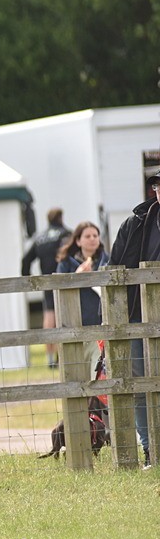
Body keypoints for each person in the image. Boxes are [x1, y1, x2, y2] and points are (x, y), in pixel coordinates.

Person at [109, 175, 160, 467]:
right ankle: (150, 451)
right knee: (140, 385)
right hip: (138, 319)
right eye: (157, 185)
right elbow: (114, 270)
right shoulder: (136, 222)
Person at [55, 221, 110, 377]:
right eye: (87, 236)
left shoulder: (108, 261)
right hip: (74, 328)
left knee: (99, 377)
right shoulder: (66, 263)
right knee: (78, 377)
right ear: (78, 240)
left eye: (95, 235)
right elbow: (59, 290)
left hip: (100, 328)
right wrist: (76, 277)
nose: (92, 239)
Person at [22, 208, 72, 368]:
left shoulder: (40, 238)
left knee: (48, 317)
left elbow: (26, 259)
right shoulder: (65, 234)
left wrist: (28, 278)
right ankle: (61, 356)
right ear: (61, 217)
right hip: (64, 280)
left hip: (46, 281)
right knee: (63, 317)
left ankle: (50, 358)